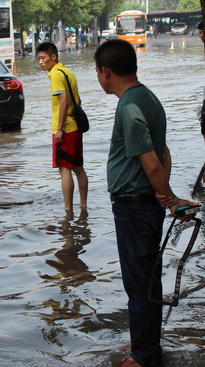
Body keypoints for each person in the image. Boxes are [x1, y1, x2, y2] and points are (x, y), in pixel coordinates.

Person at [94, 39, 199, 367]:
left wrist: (166, 198)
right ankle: (145, 342)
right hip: (143, 202)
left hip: (134, 206)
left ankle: (144, 356)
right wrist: (163, 195)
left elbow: (151, 161)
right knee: (146, 278)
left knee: (139, 282)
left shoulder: (130, 106)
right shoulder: (148, 98)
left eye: (98, 73)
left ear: (106, 72)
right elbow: (164, 153)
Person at [37, 42, 88, 213]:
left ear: (53, 57)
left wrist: (59, 128)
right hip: (75, 127)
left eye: (43, 58)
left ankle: (68, 210)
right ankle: (83, 205)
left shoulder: (56, 74)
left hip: (64, 129)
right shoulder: (68, 72)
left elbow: (64, 101)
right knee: (78, 168)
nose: (40, 62)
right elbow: (78, 101)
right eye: (39, 59)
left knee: (64, 169)